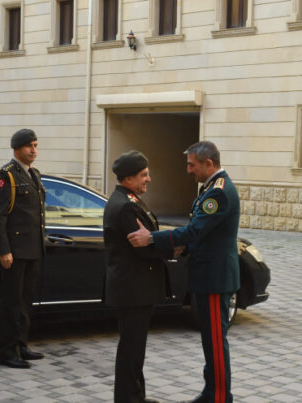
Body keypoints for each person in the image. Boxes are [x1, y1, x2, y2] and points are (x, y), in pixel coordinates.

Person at [127, 141, 240, 403]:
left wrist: (153, 238)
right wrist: (183, 248)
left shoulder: (218, 192)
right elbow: (203, 233)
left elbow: (195, 230)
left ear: (208, 163)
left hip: (214, 278)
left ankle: (220, 397)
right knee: (210, 342)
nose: (189, 170)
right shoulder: (211, 188)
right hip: (208, 275)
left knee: (215, 342)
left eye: (192, 165)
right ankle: (211, 392)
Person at [103, 151, 179, 403]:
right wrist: (176, 246)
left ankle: (134, 395)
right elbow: (145, 246)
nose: (149, 179)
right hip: (133, 288)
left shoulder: (128, 199)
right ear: (128, 178)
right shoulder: (125, 206)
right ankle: (128, 399)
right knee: (131, 349)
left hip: (134, 287)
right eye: (143, 175)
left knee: (134, 348)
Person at [0, 128, 46, 369]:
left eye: (35, 145)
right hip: (15, 251)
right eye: (28, 146)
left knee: (25, 301)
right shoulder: (7, 175)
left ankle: (21, 344)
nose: (33, 150)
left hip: (32, 249)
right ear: (16, 150)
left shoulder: (33, 174)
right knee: (11, 303)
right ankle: (7, 352)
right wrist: (4, 250)